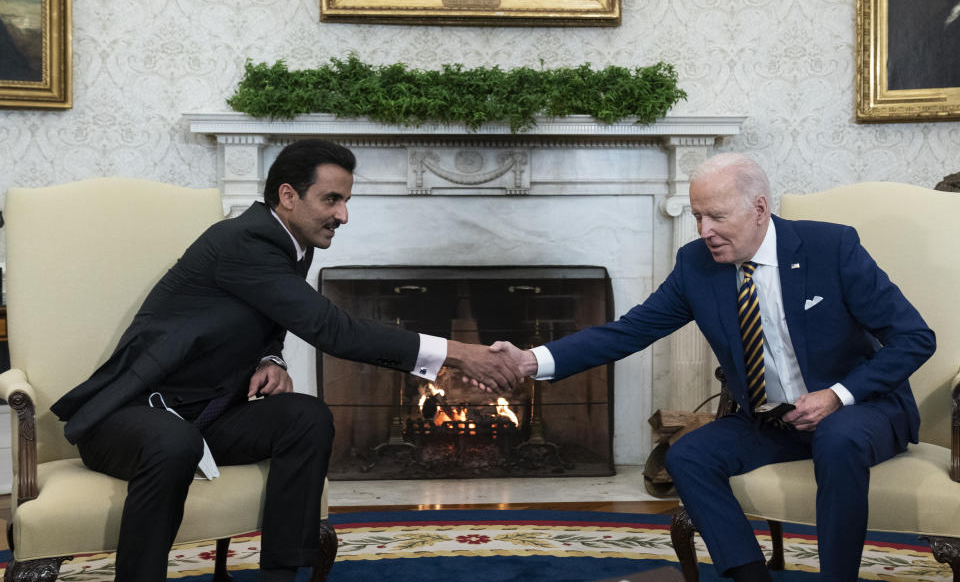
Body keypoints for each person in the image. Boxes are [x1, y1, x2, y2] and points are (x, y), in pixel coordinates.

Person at [51, 139, 522, 582]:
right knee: (174, 442)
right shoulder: (243, 242)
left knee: (306, 417)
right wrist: (458, 354)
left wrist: (270, 356)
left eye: (346, 201)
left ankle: (281, 573)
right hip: (134, 415)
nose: (343, 215)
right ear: (288, 196)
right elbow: (332, 330)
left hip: (207, 415)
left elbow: (265, 313)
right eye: (332, 200)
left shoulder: (290, 244)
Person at [492, 153, 936, 581]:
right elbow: (628, 331)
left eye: (717, 216)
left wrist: (836, 396)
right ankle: (750, 576)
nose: (705, 230)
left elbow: (915, 338)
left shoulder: (831, 247)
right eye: (697, 216)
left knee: (837, 439)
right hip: (774, 422)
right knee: (688, 455)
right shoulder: (696, 266)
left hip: (860, 412)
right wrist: (533, 360)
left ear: (759, 208)